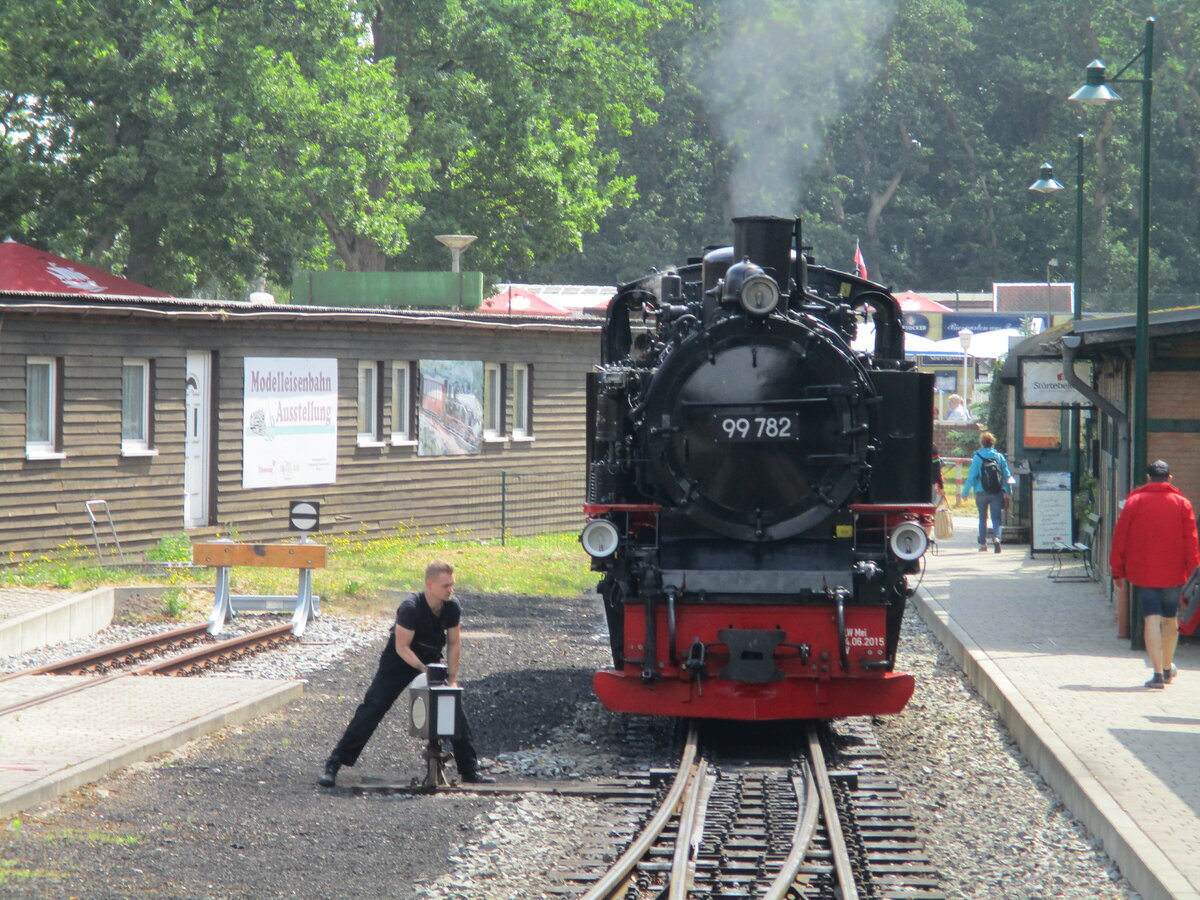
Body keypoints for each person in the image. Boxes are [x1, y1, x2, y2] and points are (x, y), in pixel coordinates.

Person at [318, 559, 492, 785]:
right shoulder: (410, 607)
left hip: (431, 659)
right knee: (373, 707)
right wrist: (424, 670)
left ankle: (469, 771)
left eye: (452, 585)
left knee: (452, 704)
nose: (451, 590)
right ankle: (335, 763)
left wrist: (452, 679)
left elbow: (454, 643)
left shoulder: (451, 606)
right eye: (445, 586)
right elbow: (402, 647)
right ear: (429, 585)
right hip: (399, 661)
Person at [1109, 459, 1200, 689]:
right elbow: (1191, 541)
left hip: (1144, 571)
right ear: (1169, 478)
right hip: (1174, 573)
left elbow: (1120, 537)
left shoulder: (1134, 502)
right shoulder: (1182, 503)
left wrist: (1117, 571)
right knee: (1171, 619)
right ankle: (1168, 667)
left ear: (1148, 478)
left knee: (1151, 617)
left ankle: (1157, 673)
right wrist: (1193, 571)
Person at [963, 431, 1012, 552]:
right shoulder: (999, 457)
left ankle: (983, 544)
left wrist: (965, 493)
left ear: (982, 443)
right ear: (992, 443)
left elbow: (972, 476)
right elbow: (1007, 475)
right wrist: (1007, 491)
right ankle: (997, 538)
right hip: (997, 492)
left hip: (981, 492)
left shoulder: (977, 457)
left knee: (982, 518)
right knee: (996, 518)